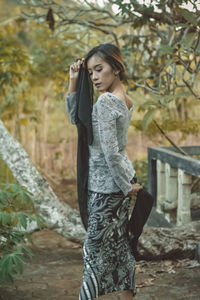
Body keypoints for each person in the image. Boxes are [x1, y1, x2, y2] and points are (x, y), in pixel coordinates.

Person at [66, 44, 143, 300]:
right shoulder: (126, 100)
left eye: (99, 69)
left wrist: (125, 186)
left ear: (116, 68)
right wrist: (74, 82)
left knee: (92, 251)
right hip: (117, 185)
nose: (95, 77)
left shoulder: (106, 102)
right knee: (120, 247)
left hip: (105, 188)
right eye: (90, 72)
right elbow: (77, 118)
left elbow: (110, 152)